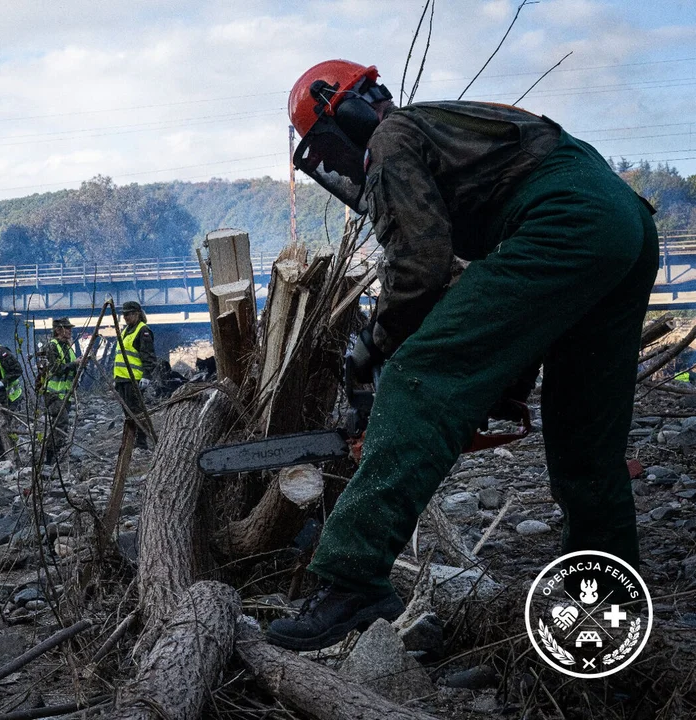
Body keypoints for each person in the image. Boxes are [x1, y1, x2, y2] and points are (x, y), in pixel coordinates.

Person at [266, 59, 659, 651]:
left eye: (325, 146)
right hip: (623, 225)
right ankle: (608, 626)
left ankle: (352, 579)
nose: (339, 163)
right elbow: (515, 300)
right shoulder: (441, 128)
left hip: (568, 222)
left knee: (417, 378)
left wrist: (376, 353)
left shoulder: (391, 138)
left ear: (343, 113)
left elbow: (419, 268)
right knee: (587, 449)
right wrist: (503, 380)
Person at [115, 300, 157, 450]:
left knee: (136, 411)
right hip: (122, 379)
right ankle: (131, 441)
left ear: (137, 314)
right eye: (124, 314)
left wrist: (146, 376)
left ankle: (141, 442)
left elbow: (149, 357)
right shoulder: (126, 330)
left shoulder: (142, 331)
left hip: (134, 379)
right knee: (128, 412)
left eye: (128, 314)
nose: (125, 317)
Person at [38, 317, 80, 463]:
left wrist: (79, 365)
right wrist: (74, 364)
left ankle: (55, 454)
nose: (70, 331)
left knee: (61, 425)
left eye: (70, 328)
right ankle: (49, 458)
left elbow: (71, 369)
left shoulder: (67, 347)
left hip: (65, 395)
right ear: (58, 330)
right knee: (60, 424)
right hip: (53, 394)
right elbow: (56, 370)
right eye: (66, 328)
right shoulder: (51, 347)